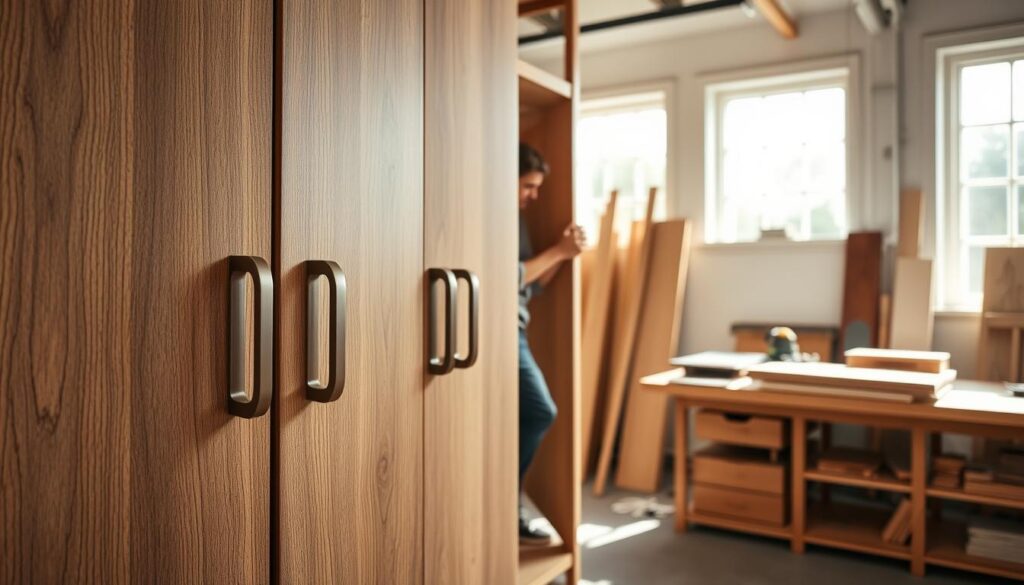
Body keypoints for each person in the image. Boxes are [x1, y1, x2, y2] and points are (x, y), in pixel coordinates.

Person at [517, 143, 586, 545]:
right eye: (527, 185)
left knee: (530, 415)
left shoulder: (518, 220)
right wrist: (558, 251)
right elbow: (510, 275)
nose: (533, 195)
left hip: (517, 327)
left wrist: (565, 254)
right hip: (499, 331)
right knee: (540, 410)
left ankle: (510, 504)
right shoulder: (495, 216)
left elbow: (532, 283)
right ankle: (510, 504)